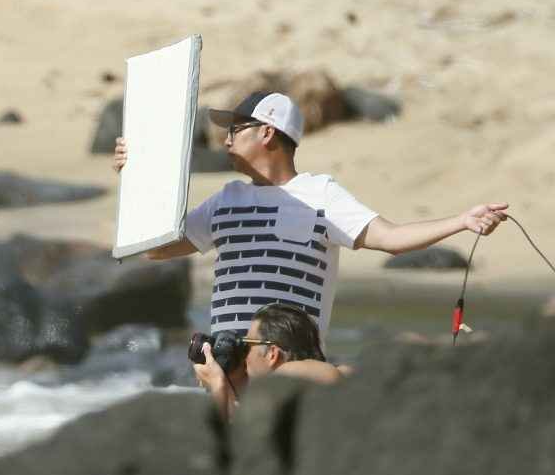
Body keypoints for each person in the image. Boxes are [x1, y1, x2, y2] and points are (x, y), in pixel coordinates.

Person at [113, 91, 507, 344]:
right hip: (226, 359)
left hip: (290, 360)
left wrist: (462, 220)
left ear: (267, 133)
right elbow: (158, 250)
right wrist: (135, 177)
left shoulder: (320, 194)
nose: (226, 139)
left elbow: (390, 237)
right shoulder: (225, 199)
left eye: (235, 129)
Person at [194, 301, 341, 420]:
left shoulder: (290, 375)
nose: (245, 357)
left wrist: (218, 386)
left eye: (248, 346)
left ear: (272, 354)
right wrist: (231, 387)